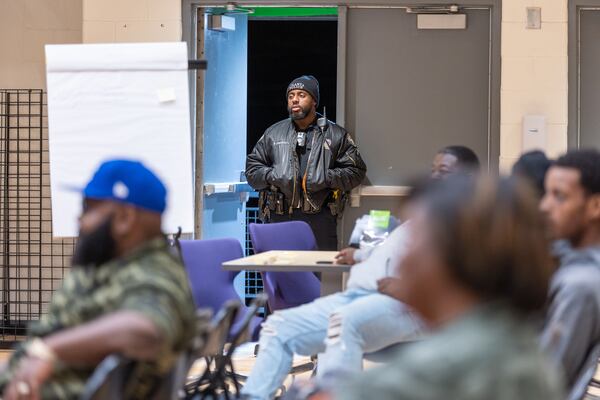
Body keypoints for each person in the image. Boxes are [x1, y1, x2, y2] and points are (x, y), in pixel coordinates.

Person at [240, 146, 480, 400]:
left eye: (443, 171)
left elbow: (470, 279)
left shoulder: (471, 220)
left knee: (344, 321)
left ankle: (333, 394)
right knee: (279, 326)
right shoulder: (430, 211)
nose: (434, 177)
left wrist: (410, 288)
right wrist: (360, 255)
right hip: (360, 295)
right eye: (433, 170)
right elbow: (395, 252)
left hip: (407, 306)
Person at [328, 176, 563, 400]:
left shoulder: (442, 369)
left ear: (458, 259)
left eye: (413, 241)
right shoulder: (517, 343)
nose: (403, 258)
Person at [0, 159, 197, 400]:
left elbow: (148, 328)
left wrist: (48, 351)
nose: (80, 220)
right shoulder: (121, 267)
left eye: (88, 208)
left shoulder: (155, 272)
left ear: (125, 218)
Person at [246, 75, 367, 250]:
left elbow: (356, 171)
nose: (295, 99)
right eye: (291, 95)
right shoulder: (273, 133)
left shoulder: (335, 134)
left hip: (320, 220)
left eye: (302, 95)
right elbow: (252, 171)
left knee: (318, 273)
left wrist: (326, 176)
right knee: (278, 272)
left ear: (314, 101)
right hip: (278, 218)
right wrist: (272, 175)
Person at [539, 149, 600, 393]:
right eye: (547, 193)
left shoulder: (581, 285)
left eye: (560, 196)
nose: (545, 206)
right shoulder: (563, 260)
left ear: (595, 205)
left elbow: (547, 378)